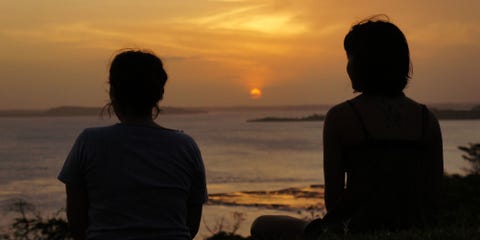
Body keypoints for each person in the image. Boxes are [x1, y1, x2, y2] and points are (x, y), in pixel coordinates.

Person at [250, 16, 443, 239]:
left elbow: (333, 202)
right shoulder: (427, 120)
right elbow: (434, 198)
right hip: (413, 228)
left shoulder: (342, 117)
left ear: (362, 64)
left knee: (261, 224)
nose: (347, 67)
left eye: (350, 58)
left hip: (353, 230)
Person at [58, 49, 207, 240]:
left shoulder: (89, 142)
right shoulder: (186, 146)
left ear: (112, 92)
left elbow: (77, 225)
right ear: (160, 93)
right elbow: (190, 226)